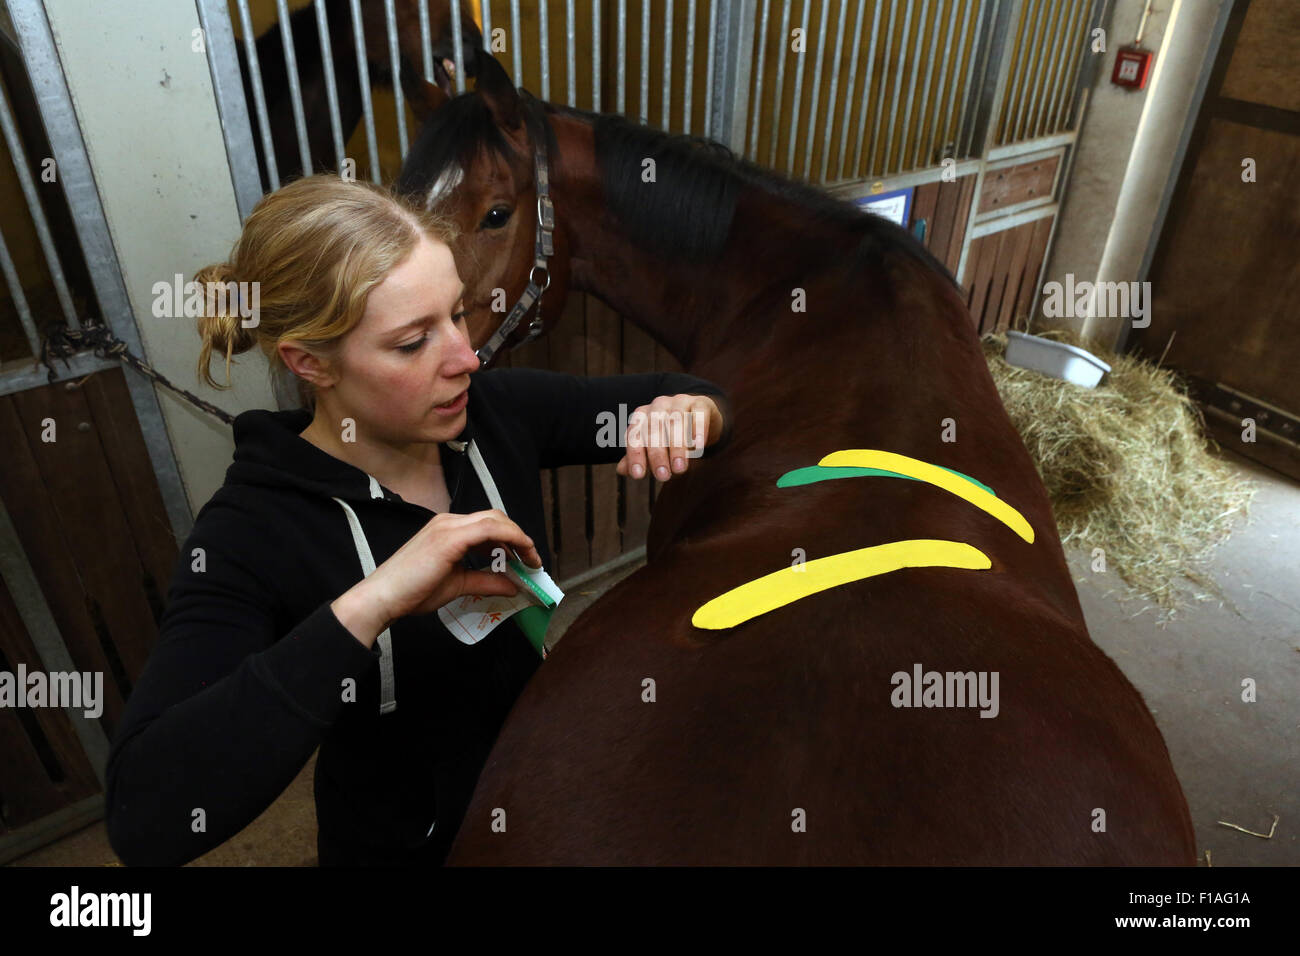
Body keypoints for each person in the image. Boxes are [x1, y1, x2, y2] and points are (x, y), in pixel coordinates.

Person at [104, 174, 733, 867]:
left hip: (541, 792)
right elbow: (145, 816)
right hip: (405, 847)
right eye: (412, 343)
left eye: (457, 316)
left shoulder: (500, 414)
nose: (466, 358)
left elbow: (695, 396)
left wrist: (692, 413)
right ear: (309, 362)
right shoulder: (248, 532)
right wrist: (369, 606)